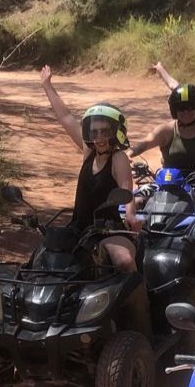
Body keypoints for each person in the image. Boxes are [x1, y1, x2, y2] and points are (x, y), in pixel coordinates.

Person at [39, 65, 138, 273]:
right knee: (44, 256)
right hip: (78, 228)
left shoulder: (118, 158)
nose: (99, 138)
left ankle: (140, 304)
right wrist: (47, 86)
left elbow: (126, 190)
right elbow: (65, 117)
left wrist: (130, 215)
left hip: (109, 230)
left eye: (104, 132)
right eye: (94, 133)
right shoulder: (89, 151)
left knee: (124, 261)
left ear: (116, 132)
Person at [129, 83, 195, 206]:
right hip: (165, 182)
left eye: (190, 108)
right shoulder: (166, 130)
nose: (186, 112)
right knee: (134, 201)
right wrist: (128, 154)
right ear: (174, 110)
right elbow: (145, 143)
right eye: (182, 108)